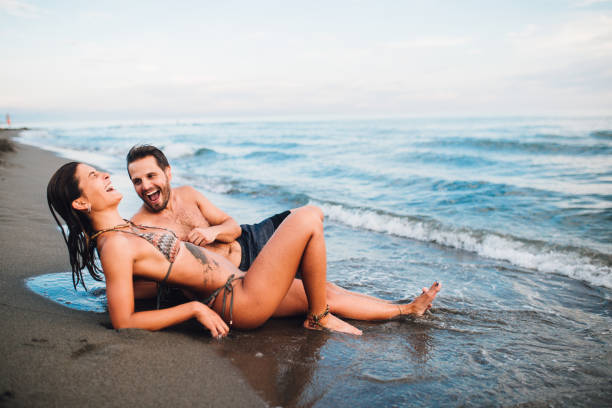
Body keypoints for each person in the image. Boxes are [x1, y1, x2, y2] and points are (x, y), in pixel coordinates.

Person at [47, 161, 441, 337]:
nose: (104, 175)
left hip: (240, 282)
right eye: (92, 177)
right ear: (81, 203)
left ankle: (404, 309)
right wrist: (195, 308)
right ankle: (318, 318)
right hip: (237, 299)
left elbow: (156, 276)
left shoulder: (125, 229)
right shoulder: (113, 243)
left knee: (328, 291)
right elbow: (123, 321)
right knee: (307, 217)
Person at [126, 144, 293, 272]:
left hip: (249, 240)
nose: (146, 186)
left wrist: (213, 232)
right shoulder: (140, 227)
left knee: (299, 216)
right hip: (235, 273)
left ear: (168, 173)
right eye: (137, 181)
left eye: (151, 176)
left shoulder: (188, 194)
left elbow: (234, 228)